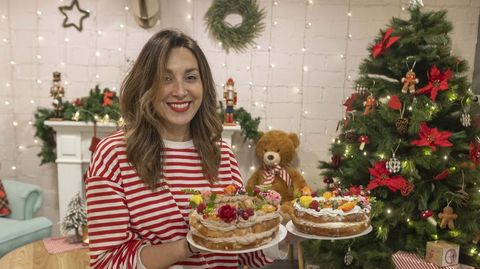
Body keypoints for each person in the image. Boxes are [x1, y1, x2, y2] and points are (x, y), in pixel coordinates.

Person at [85, 29, 291, 269]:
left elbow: (241, 251)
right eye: (166, 78)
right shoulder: (114, 154)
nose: (181, 91)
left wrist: (287, 236)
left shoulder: (222, 153)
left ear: (203, 85)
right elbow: (106, 262)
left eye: (191, 77)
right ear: (146, 85)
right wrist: (189, 246)